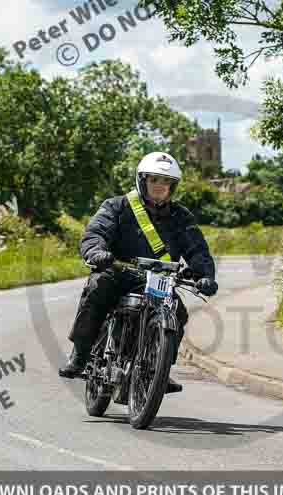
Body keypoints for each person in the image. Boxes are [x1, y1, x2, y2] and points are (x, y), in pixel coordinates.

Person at [59, 151, 219, 393]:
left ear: (172, 187)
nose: (159, 186)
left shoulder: (181, 217)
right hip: (118, 272)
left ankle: (159, 369)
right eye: (154, 180)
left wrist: (204, 276)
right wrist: (97, 252)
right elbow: (96, 233)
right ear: (142, 180)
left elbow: (197, 250)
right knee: (97, 287)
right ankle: (80, 354)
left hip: (159, 280)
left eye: (165, 182)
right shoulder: (117, 206)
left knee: (178, 311)